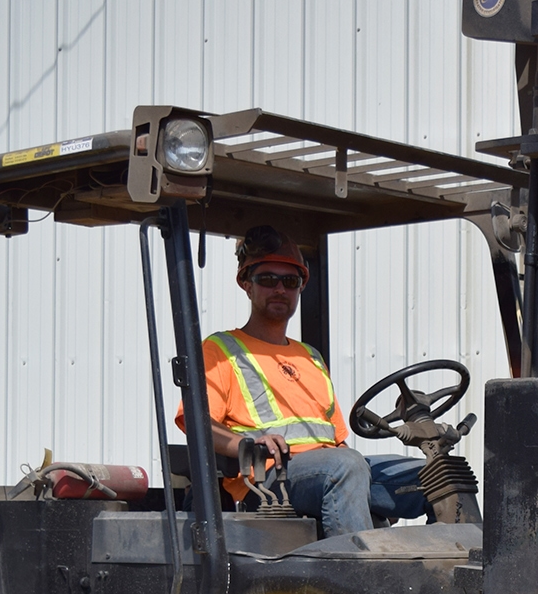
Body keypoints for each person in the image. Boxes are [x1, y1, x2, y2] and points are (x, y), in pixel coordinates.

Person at [177, 226, 427, 536]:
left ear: (300, 287)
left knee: (437, 475)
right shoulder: (222, 350)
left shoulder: (310, 357)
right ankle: (356, 577)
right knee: (346, 466)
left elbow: (336, 441)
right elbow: (195, 421)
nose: (280, 289)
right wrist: (247, 444)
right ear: (246, 284)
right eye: (267, 280)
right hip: (268, 481)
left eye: (290, 281)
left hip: (330, 471)